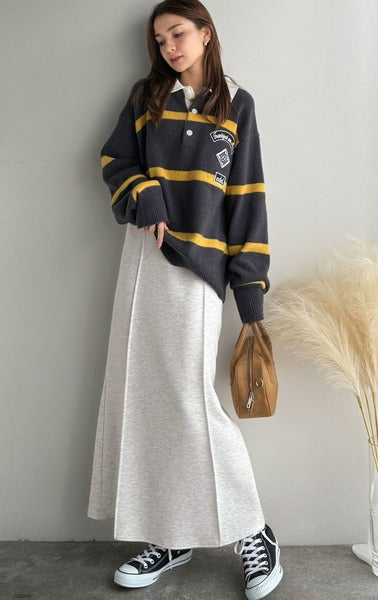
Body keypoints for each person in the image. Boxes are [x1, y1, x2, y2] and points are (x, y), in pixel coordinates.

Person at [86, 1, 283, 598]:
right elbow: (114, 160)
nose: (169, 47)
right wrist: (143, 191)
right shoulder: (147, 96)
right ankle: (170, 535)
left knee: (188, 399)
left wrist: (250, 299)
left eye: (178, 33)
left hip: (200, 269)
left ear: (205, 33)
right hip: (143, 257)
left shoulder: (237, 105)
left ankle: (253, 530)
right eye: (160, 39)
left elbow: (247, 201)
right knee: (142, 399)